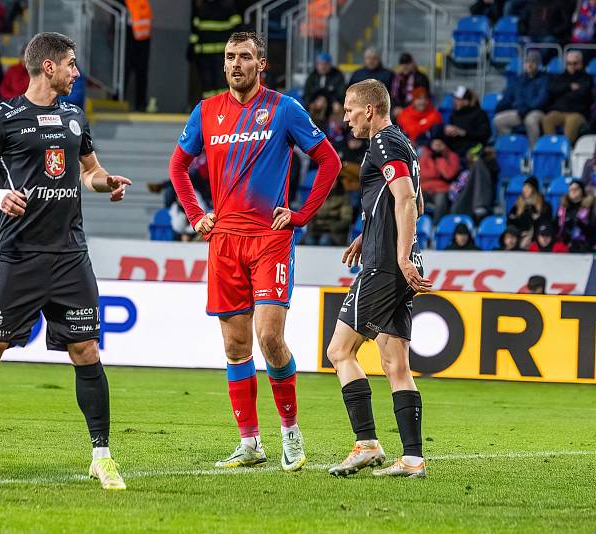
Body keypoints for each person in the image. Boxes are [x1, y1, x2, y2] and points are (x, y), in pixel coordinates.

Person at [0, 32, 133, 491]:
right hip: (18, 255)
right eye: (70, 64)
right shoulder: (2, 117)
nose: (76, 73)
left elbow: (89, 171)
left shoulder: (73, 115)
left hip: (70, 255)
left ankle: (102, 456)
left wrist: (108, 184)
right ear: (48, 67)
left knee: (86, 352)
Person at [168, 32, 341, 471]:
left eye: (245, 57)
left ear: (260, 64)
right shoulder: (206, 112)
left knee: (269, 337)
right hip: (224, 240)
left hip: (269, 239)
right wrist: (195, 214)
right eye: (230, 57)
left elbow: (330, 161)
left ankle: (290, 432)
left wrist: (301, 215)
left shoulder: (284, 109)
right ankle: (250, 444)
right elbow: (177, 166)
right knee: (234, 344)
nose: (236, 64)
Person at [326, 79, 429, 479]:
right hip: (394, 260)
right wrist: (365, 233)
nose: (346, 116)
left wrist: (398, 256)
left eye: (350, 109)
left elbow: (405, 199)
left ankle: (367, 443)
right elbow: (415, 201)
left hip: (386, 266)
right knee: (395, 362)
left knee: (339, 351)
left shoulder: (384, 143)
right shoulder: (404, 144)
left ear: (370, 109)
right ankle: (413, 459)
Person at [492, 52, 549, 146]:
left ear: (538, 65)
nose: (529, 65)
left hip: (537, 111)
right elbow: (508, 97)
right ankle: (512, 145)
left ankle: (533, 150)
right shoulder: (518, 79)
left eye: (533, 62)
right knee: (498, 120)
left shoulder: (544, 79)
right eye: (527, 62)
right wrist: (499, 107)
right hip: (519, 111)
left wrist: (526, 109)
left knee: (530, 120)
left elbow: (541, 100)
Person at [540, 50, 593, 144]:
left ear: (581, 63)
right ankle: (553, 147)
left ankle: (566, 151)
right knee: (547, 119)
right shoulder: (560, 77)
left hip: (577, 113)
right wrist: (569, 87)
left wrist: (563, 91)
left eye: (575, 63)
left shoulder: (587, 78)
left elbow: (582, 94)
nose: (572, 66)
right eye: (569, 63)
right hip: (559, 111)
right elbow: (552, 89)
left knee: (571, 122)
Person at [419, 134, 460, 222]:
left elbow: (448, 175)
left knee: (440, 201)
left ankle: (436, 227)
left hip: (442, 189)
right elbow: (421, 174)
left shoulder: (452, 156)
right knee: (413, 200)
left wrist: (440, 160)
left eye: (440, 144)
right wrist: (437, 173)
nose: (437, 147)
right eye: (435, 144)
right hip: (425, 188)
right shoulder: (425, 156)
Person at [302, 180, 354, 246]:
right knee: (308, 240)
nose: (330, 182)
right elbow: (311, 216)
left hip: (335, 233)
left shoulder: (343, 198)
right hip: (317, 231)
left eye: (333, 180)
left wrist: (331, 227)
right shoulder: (318, 196)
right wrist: (313, 227)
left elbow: (346, 219)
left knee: (324, 240)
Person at [444, 86, 491, 157]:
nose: (454, 101)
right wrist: (447, 133)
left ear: (466, 101)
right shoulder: (454, 114)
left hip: (474, 147)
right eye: (455, 98)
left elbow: (484, 134)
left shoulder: (480, 114)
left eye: (458, 99)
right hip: (455, 148)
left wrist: (464, 132)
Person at [507, 176, 553, 247]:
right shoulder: (517, 206)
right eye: (524, 187)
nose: (525, 189)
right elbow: (510, 223)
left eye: (528, 187)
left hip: (539, 239)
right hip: (520, 238)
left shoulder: (545, 206)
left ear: (534, 189)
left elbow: (547, 223)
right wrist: (520, 233)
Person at [123, 0, 152, 111]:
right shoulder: (144, 3)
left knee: (128, 72)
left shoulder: (130, 2)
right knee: (140, 73)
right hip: (143, 39)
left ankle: (138, 103)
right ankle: (141, 104)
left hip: (132, 37)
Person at [556, 178, 596, 252]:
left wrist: (580, 224)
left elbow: (593, 229)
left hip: (583, 242)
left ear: (582, 191)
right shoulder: (563, 207)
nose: (573, 191)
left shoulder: (588, 207)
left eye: (576, 189)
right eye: (571, 189)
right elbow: (556, 224)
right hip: (565, 241)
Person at [390, 53, 429, 117]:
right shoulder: (395, 78)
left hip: (414, 109)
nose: (405, 66)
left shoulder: (421, 78)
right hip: (397, 110)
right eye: (402, 64)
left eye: (408, 63)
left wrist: (405, 110)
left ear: (413, 64)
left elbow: (422, 98)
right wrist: (394, 108)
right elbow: (392, 97)